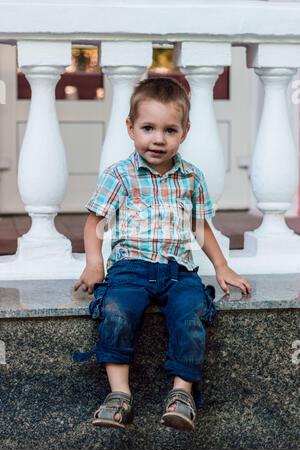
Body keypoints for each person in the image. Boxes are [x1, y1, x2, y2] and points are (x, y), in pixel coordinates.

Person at [73, 77, 252, 431]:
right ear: (130, 128)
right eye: (148, 128)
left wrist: (222, 265)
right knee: (117, 311)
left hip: (177, 270)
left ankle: (181, 393)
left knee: (190, 314)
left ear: (184, 132)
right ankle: (119, 396)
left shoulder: (191, 177)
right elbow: (95, 223)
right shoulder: (120, 176)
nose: (158, 138)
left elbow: (200, 226)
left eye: (169, 130)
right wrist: (95, 263)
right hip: (129, 269)